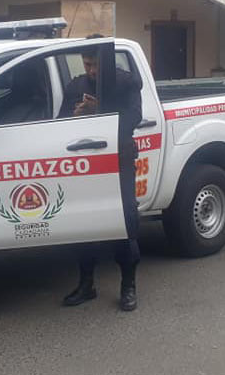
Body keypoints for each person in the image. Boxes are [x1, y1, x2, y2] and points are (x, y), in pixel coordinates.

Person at [59, 42, 143, 312]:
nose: (91, 71)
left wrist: (100, 113)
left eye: (95, 65)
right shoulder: (75, 86)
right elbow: (58, 124)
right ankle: (86, 284)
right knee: (84, 225)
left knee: (124, 221)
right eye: (87, 64)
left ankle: (128, 285)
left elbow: (133, 119)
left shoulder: (126, 83)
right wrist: (74, 115)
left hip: (118, 161)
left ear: (106, 62)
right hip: (84, 165)